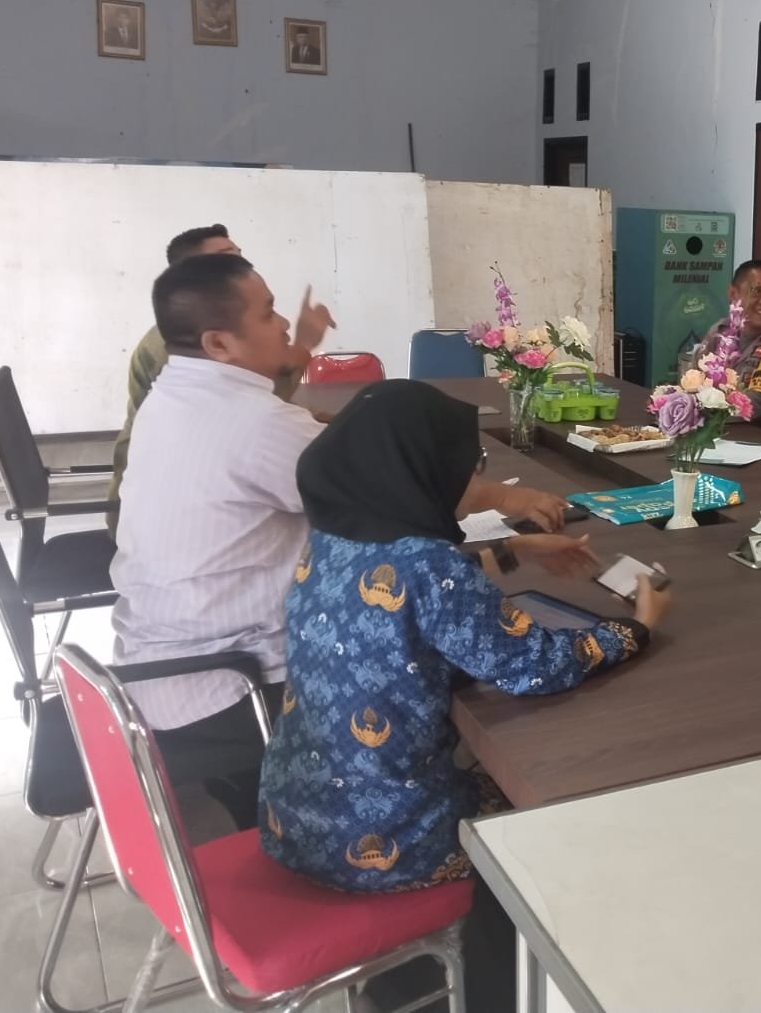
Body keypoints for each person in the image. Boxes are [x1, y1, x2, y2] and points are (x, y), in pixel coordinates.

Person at [113, 257, 573, 828]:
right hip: (235, 681)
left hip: (152, 668)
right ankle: (451, 810)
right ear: (219, 343)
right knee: (464, 655)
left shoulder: (172, 397)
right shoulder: (252, 422)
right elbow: (394, 491)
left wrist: (507, 551)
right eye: (267, 314)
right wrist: (507, 499)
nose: (283, 323)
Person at [259, 380, 666, 893]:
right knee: (566, 809)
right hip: (389, 839)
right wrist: (637, 627)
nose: (474, 480)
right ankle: (500, 931)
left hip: (295, 817)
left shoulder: (331, 539)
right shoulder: (430, 566)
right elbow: (534, 665)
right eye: (470, 466)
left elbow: (409, 593)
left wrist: (516, 549)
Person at [107, 223, 326, 531]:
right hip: (144, 516)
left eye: (239, 255)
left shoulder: (176, 384)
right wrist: (302, 347)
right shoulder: (256, 420)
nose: (283, 323)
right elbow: (260, 420)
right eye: (225, 258)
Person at [682, 259, 761, 441]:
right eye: (756, 291)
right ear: (733, 294)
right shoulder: (720, 331)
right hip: (724, 440)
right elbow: (692, 379)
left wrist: (691, 411)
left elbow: (756, 404)